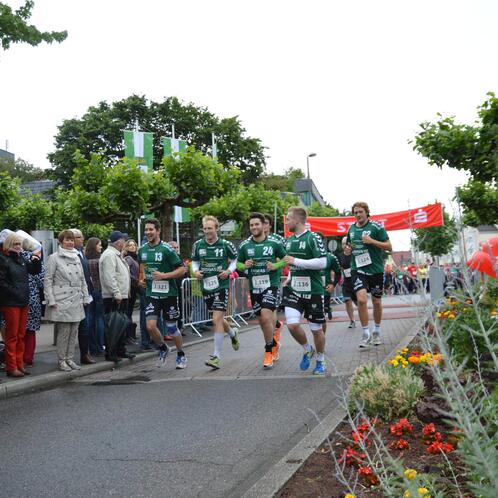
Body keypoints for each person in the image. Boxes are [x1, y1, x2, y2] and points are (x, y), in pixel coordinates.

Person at [282, 207, 328, 376]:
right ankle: (308, 349)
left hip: (313, 290)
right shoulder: (288, 241)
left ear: (297, 220)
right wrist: (290, 276)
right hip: (294, 290)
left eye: (288, 219)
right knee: (292, 325)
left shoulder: (313, 237)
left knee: (316, 329)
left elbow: (322, 262)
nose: (286, 222)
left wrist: (296, 261)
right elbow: (292, 263)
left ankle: (321, 360)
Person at [237, 212, 287, 369]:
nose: (254, 227)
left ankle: (268, 350)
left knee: (266, 316)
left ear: (263, 226)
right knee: (262, 321)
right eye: (251, 225)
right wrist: (244, 265)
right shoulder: (245, 245)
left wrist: (275, 265)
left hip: (271, 284)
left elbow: (286, 259)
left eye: (257, 224)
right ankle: (274, 339)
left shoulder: (274, 243)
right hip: (255, 286)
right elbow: (238, 264)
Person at [191, 215, 240, 370]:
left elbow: (235, 260)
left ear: (216, 229)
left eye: (210, 228)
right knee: (218, 319)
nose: (207, 231)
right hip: (206, 286)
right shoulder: (198, 245)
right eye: (205, 228)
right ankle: (232, 333)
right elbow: (195, 261)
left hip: (221, 285)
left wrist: (228, 271)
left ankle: (216, 356)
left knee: (216, 319)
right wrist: (195, 271)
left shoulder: (226, 244)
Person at [138, 220, 187, 369]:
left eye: (151, 230)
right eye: (146, 230)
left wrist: (164, 276)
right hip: (152, 293)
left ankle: (180, 354)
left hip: (169, 294)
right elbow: (142, 266)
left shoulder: (167, 249)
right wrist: (141, 279)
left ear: (158, 231)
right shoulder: (142, 249)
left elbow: (182, 269)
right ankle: (163, 347)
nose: (148, 232)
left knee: (171, 328)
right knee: (150, 326)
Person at [346, 202, 392, 348]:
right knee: (361, 300)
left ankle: (376, 331)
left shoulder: (376, 227)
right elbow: (349, 247)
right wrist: (347, 250)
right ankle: (365, 333)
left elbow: (389, 246)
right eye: (355, 212)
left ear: (367, 212)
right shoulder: (351, 229)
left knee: (376, 301)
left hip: (375, 270)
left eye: (360, 212)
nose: (358, 215)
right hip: (358, 269)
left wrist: (372, 241)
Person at [45, 230, 90, 371]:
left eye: (72, 240)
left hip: (76, 298)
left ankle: (70, 359)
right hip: (61, 299)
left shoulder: (77, 257)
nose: (70, 242)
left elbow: (82, 279)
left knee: (74, 331)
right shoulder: (54, 258)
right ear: (61, 241)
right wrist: (51, 300)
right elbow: (48, 280)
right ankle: (62, 360)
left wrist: (85, 296)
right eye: (67, 240)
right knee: (64, 332)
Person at [0, 233, 41, 377]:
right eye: (16, 244)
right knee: (12, 336)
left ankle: (19, 364)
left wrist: (36, 261)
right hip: (11, 302)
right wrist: (15, 292)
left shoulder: (21, 258)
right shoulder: (3, 259)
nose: (18, 247)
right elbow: (2, 282)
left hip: (23, 300)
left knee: (21, 335)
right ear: (9, 244)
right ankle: (12, 366)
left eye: (20, 244)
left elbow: (34, 271)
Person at [99, 231, 135, 362]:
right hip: (114, 297)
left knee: (120, 324)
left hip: (120, 295)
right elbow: (109, 276)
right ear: (118, 242)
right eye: (124, 241)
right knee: (113, 325)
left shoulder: (116, 254)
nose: (125, 243)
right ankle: (111, 352)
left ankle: (120, 350)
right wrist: (116, 293)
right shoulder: (109, 255)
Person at [71, 229, 96, 365]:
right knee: (79, 327)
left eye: (81, 237)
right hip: (76, 296)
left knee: (85, 326)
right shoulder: (72, 255)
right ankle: (75, 356)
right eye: (78, 237)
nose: (82, 239)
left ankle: (85, 354)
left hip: (87, 294)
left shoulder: (81, 253)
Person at [21, 238, 45, 366]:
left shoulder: (16, 259)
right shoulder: (35, 260)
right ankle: (28, 357)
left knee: (18, 331)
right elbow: (42, 281)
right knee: (31, 331)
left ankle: (19, 358)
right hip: (33, 299)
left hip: (18, 299)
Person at [263, 214, 286, 342]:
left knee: (271, 309)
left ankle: (272, 342)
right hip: (258, 280)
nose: (263, 225)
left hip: (273, 280)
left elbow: (286, 257)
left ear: (270, 225)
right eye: (261, 223)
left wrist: (275, 264)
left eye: (265, 223)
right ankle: (277, 325)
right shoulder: (252, 240)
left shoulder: (278, 239)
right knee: (262, 315)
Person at [85, 237, 105, 356]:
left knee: (90, 319)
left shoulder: (85, 260)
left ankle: (91, 346)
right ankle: (100, 345)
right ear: (94, 246)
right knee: (100, 319)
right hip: (100, 291)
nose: (101, 247)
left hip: (89, 292)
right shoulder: (100, 261)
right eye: (99, 245)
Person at [321, 242, 341, 335]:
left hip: (325, 289)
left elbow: (338, 273)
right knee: (313, 317)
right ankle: (328, 309)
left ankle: (321, 338)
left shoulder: (330, 257)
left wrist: (333, 285)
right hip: (312, 290)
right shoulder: (308, 255)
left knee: (321, 315)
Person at [123, 239, 140, 344]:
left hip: (134, 288)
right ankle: (127, 336)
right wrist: (136, 280)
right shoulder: (128, 258)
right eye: (130, 245)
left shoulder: (135, 257)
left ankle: (129, 335)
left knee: (129, 312)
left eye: (134, 245)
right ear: (126, 247)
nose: (132, 247)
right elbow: (126, 273)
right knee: (128, 312)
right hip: (130, 288)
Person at [338, 238, 356, 328]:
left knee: (360, 303)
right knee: (348, 302)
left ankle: (364, 318)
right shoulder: (340, 256)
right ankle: (352, 320)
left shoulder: (354, 255)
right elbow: (339, 269)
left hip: (356, 282)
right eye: (344, 244)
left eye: (348, 245)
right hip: (346, 283)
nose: (346, 246)